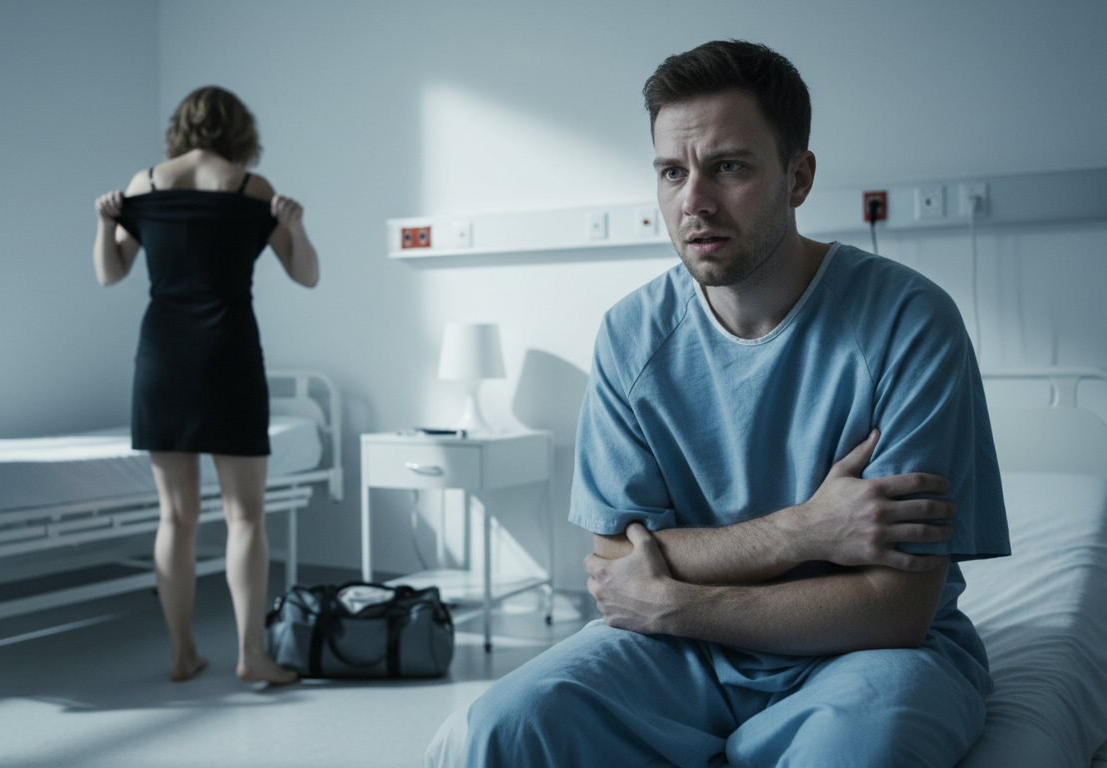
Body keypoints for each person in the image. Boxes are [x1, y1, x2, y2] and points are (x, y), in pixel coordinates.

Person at [426, 40, 1009, 767]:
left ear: (798, 177)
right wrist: (804, 532)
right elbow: (615, 563)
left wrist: (681, 600)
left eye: (727, 167)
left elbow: (895, 606)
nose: (692, 200)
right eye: (672, 172)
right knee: (502, 730)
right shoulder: (632, 337)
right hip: (687, 659)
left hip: (866, 656)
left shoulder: (906, 322)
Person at [92, 86, 319, 685]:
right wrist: (295, 227)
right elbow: (307, 276)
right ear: (239, 130)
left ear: (181, 126)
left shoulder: (142, 186)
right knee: (246, 518)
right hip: (230, 357)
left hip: (162, 361)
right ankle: (252, 655)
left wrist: (104, 223)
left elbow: (109, 273)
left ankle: (182, 653)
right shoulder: (252, 190)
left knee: (176, 518)